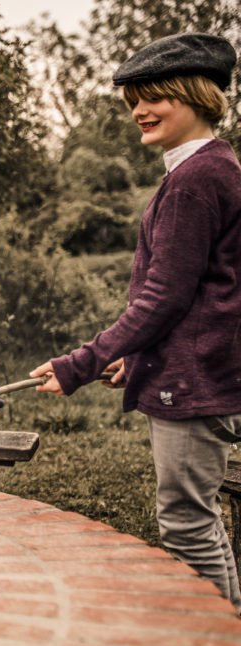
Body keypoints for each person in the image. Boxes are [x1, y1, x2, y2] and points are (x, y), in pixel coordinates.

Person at [31, 33, 241, 613]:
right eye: (133, 102)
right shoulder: (207, 169)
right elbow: (197, 294)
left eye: (153, 98)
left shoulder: (197, 179)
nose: (139, 112)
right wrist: (136, 355)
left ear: (195, 95)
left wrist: (80, 363)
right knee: (198, 521)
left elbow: (163, 298)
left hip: (194, 383)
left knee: (186, 527)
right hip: (192, 371)